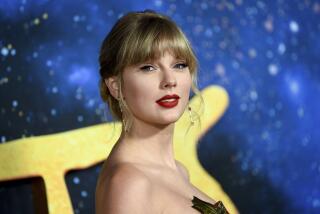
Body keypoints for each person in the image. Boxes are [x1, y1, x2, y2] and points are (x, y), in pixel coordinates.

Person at [95, 10, 229, 214]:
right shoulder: (129, 183)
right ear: (115, 86)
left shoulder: (179, 171)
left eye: (179, 65)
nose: (170, 80)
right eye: (148, 67)